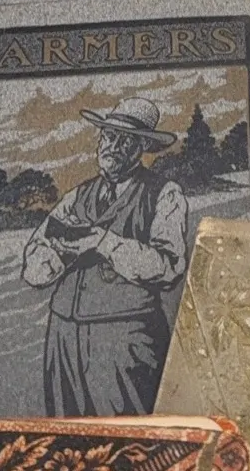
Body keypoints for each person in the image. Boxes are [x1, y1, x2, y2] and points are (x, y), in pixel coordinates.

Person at [21, 99, 187, 417]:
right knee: (66, 432)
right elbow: (34, 267)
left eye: (125, 140)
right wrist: (58, 255)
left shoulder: (164, 193)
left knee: (128, 433)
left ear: (142, 147)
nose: (113, 146)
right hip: (63, 335)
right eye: (108, 136)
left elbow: (169, 266)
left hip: (125, 338)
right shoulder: (77, 196)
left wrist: (103, 243)